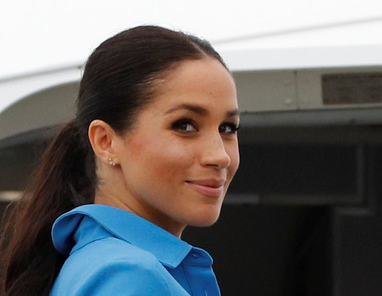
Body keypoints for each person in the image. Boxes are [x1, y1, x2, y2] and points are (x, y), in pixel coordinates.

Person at [0, 25, 240, 296]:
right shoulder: (133, 276)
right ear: (105, 141)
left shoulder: (95, 264)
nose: (219, 155)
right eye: (184, 125)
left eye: (228, 128)